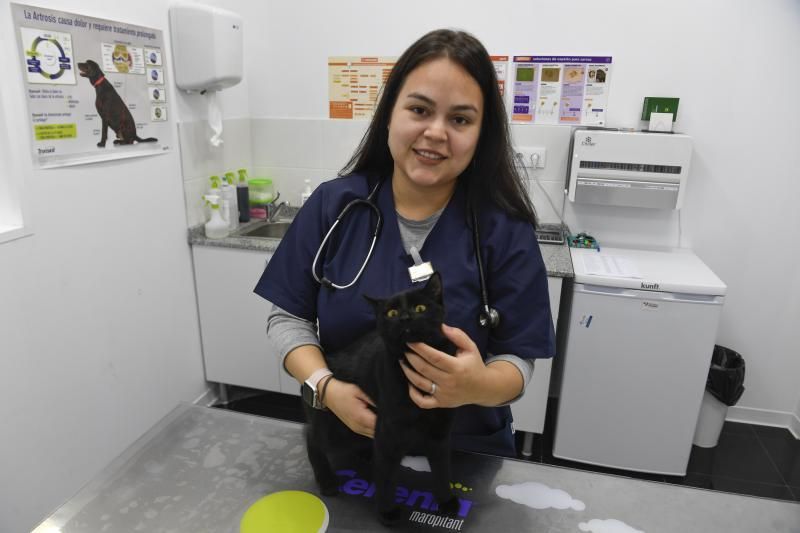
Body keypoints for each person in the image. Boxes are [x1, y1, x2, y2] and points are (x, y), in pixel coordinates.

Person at [254, 29, 555, 456]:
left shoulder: (505, 229)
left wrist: (477, 385)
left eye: (460, 119)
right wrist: (326, 389)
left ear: (481, 133)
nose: (435, 132)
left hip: (461, 450)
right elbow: (287, 319)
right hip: (352, 440)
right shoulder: (334, 206)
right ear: (390, 113)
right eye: (419, 109)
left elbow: (520, 357)